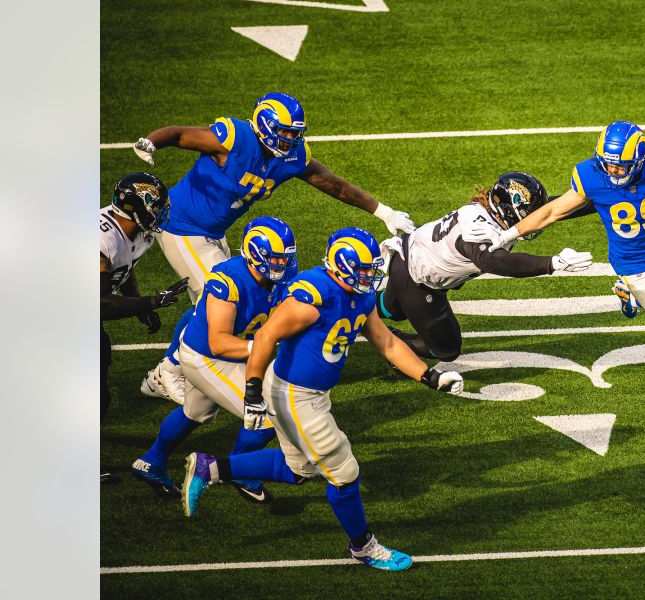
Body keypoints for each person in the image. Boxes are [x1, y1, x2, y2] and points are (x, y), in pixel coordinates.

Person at [179, 228, 464, 572]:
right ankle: (364, 547)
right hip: (294, 395)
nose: (370, 276)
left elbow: (387, 343)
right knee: (345, 473)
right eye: (363, 270)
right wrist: (251, 390)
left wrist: (429, 376)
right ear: (342, 266)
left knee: (298, 469)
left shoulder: (360, 296)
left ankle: (212, 469)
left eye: (372, 269)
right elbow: (267, 336)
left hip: (312, 393)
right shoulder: (312, 297)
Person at [131, 92, 418, 405]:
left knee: (220, 301)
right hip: (181, 226)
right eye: (285, 133)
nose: (291, 140)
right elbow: (181, 134)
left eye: (295, 134)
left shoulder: (291, 157)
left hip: (213, 231)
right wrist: (151, 142)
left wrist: (382, 211)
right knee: (218, 297)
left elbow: (332, 184)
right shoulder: (236, 138)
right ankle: (169, 370)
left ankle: (177, 368)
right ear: (265, 125)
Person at [466, 120, 645, 420]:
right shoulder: (590, 176)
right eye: (608, 165)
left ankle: (628, 295)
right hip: (637, 268)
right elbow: (552, 211)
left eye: (620, 166)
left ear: (640, 159)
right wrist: (508, 235)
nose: (612, 172)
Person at [131, 217, 299, 504]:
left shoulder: (277, 278)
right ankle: (239, 469)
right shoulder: (227, 280)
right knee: (268, 416)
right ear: (255, 255)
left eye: (286, 259)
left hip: (226, 353)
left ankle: (151, 461)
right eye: (276, 259)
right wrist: (261, 346)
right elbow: (218, 341)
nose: (282, 265)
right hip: (206, 357)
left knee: (195, 412)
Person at [377, 171, 594, 363]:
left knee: (392, 308)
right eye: (529, 212)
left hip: (409, 258)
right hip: (418, 278)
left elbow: (552, 210)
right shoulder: (479, 228)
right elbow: (495, 262)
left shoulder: (493, 214)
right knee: (446, 350)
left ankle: (354, 308)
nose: (534, 218)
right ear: (508, 210)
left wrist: (604, 200)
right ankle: (388, 343)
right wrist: (552, 263)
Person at [100, 172, 189, 483]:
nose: (161, 212)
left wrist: (137, 304)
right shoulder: (102, 238)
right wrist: (150, 303)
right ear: (135, 207)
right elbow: (97, 303)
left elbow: (125, 270)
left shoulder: (138, 233)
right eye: (155, 206)